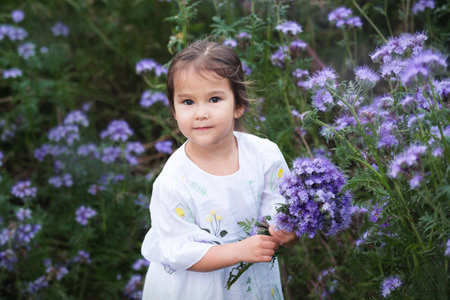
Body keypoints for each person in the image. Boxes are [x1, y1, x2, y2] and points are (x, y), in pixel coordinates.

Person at [141, 40, 297, 300]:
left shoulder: (264, 155)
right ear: (174, 110)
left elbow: (282, 211)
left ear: (238, 105)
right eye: (188, 102)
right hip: (197, 290)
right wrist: (238, 251)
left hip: (251, 282)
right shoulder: (173, 181)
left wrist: (286, 232)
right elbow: (179, 253)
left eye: (214, 99)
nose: (201, 113)